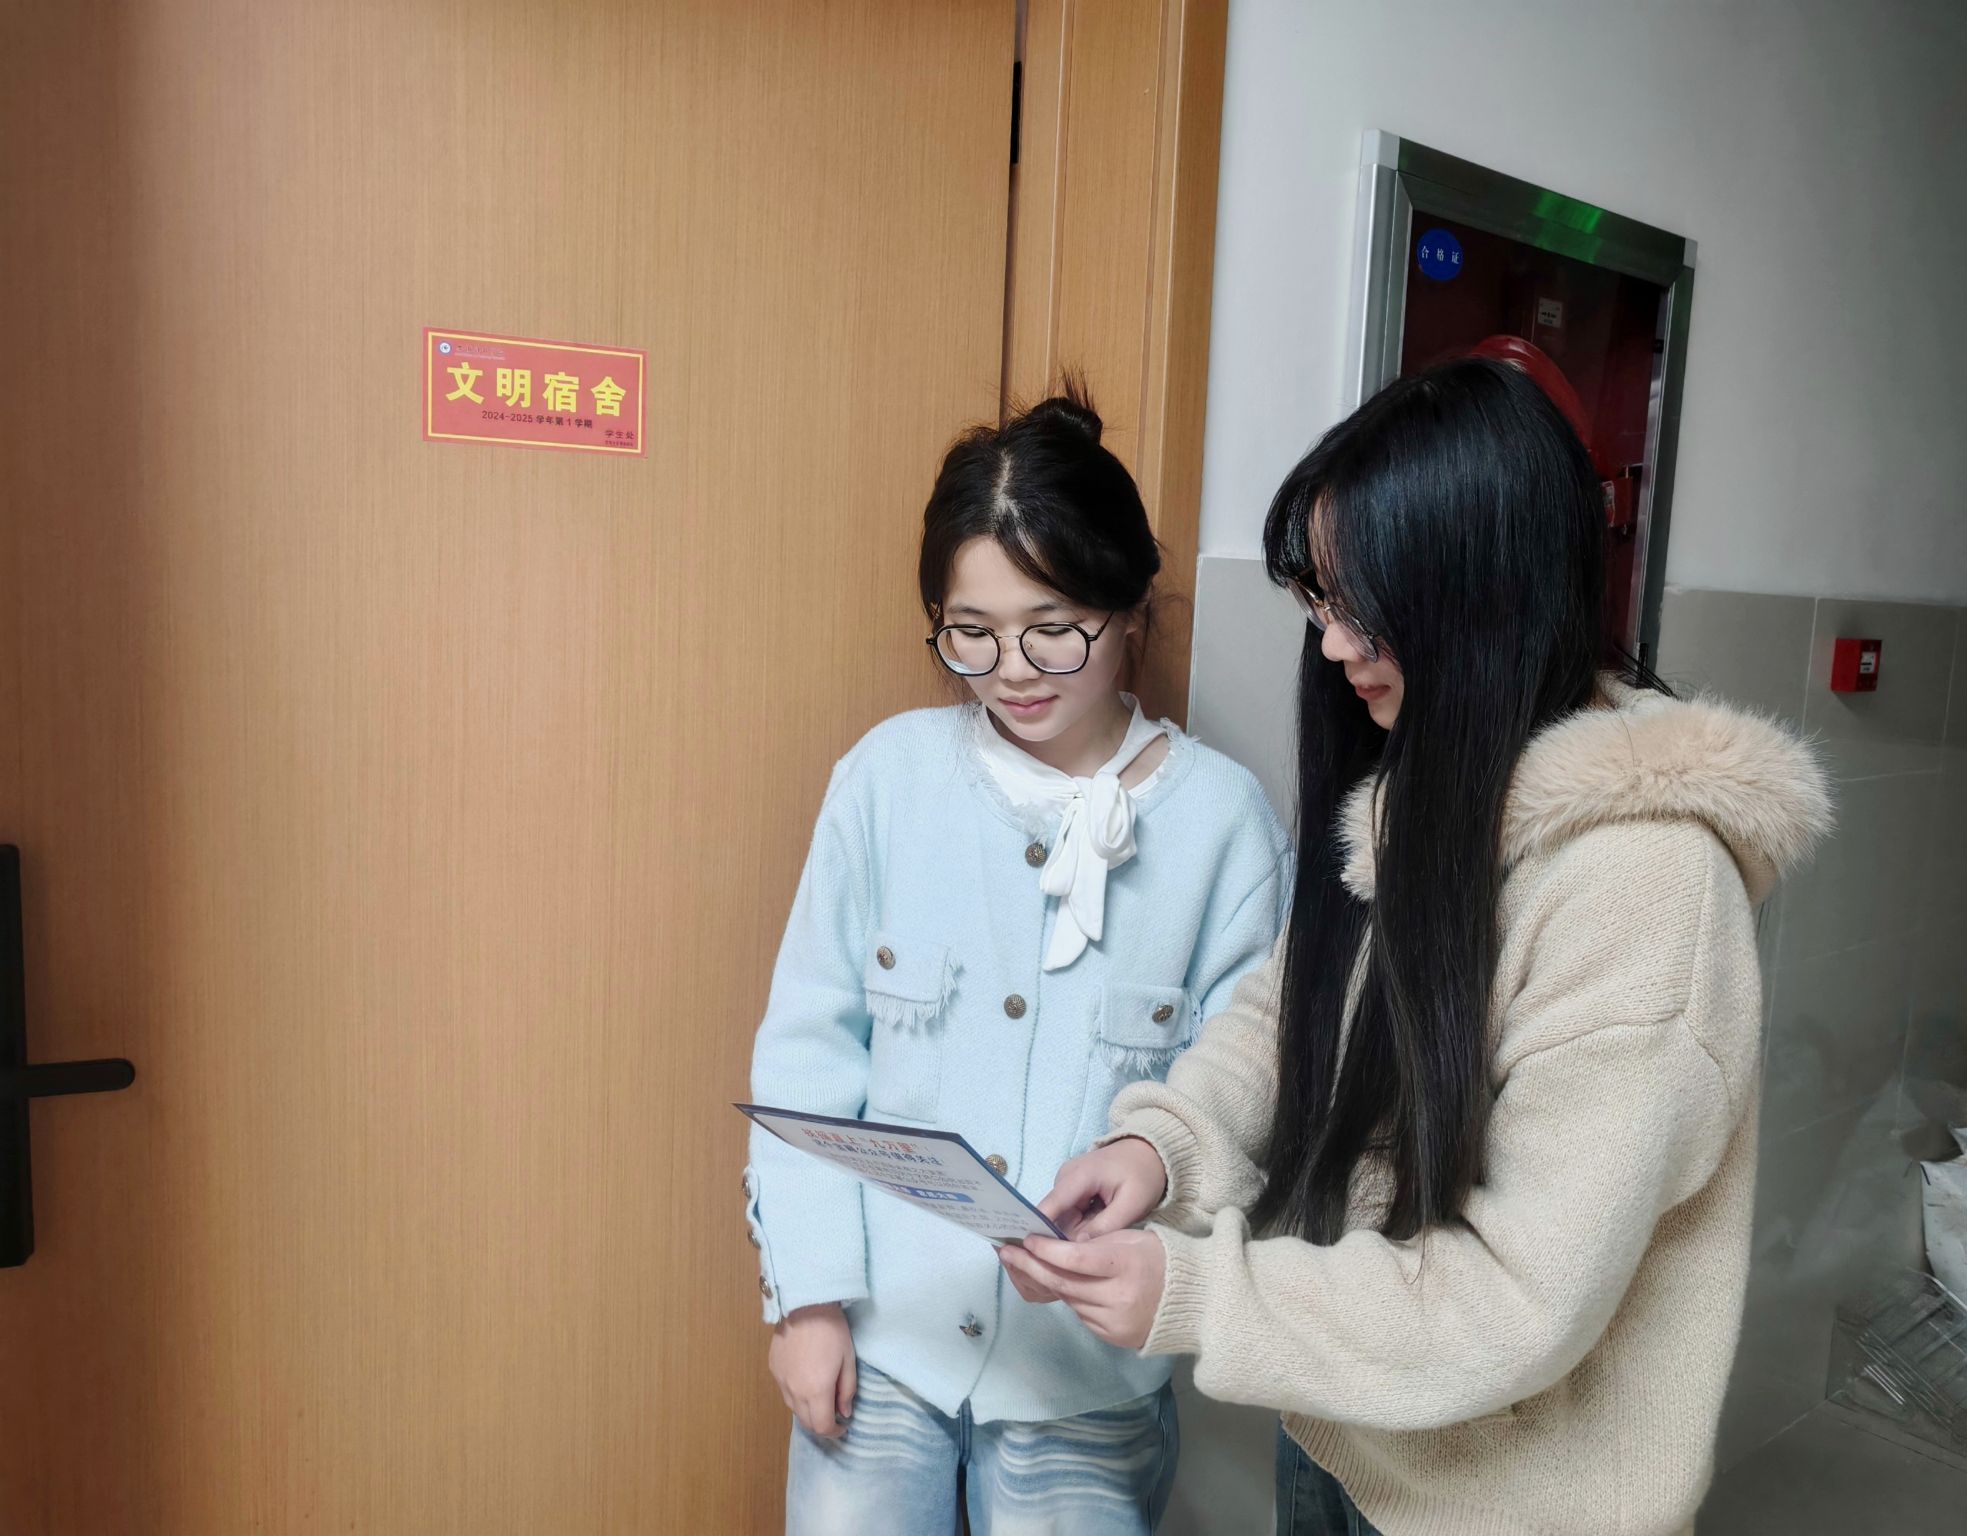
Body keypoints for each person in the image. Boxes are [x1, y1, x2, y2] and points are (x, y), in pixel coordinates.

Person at [999, 357, 1832, 1536]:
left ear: (1482, 595)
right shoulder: (1425, 776)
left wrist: (1195, 1293)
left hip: (1510, 1503)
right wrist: (1162, 1148)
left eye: (1366, 606)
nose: (1334, 647)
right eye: (1319, 601)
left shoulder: (1644, 889)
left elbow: (1516, 1299)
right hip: (1349, 1427)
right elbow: (1293, 1008)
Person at [744, 386, 1289, 1535]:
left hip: (1084, 1384)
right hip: (880, 1348)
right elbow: (805, 1058)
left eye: (1052, 626)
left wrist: (1161, 1202)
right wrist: (807, 1300)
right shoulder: (886, 781)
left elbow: (1251, 1094)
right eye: (971, 632)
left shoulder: (1223, 826)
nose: (1012, 669)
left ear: (1126, 606)